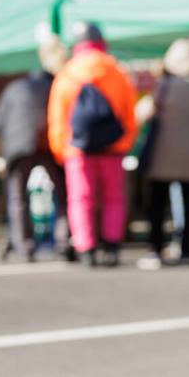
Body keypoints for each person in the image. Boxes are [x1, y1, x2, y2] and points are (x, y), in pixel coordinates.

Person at [47, 23, 138, 267]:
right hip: (113, 148)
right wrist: (125, 142)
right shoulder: (116, 71)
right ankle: (112, 246)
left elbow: (57, 118)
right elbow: (130, 113)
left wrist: (61, 150)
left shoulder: (67, 73)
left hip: (77, 149)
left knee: (80, 199)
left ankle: (86, 248)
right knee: (113, 198)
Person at [136, 39, 189, 270]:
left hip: (164, 153)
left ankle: (155, 249)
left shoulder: (165, 86)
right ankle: (187, 249)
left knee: (157, 204)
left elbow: (143, 113)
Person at [0, 36, 71, 262]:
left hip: (19, 145)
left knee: (18, 198)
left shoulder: (16, 88)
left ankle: (24, 246)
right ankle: (64, 242)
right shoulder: (58, 86)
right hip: (48, 142)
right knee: (63, 194)